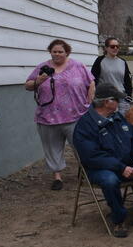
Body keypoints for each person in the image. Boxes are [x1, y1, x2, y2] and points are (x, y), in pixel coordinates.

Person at [73, 83, 133, 237]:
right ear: (107, 102)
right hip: (101, 169)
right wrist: (121, 168)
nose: (120, 103)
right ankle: (118, 219)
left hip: (128, 166)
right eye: (117, 99)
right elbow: (92, 156)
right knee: (110, 180)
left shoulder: (119, 118)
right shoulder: (86, 125)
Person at [25, 39, 95, 191]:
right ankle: (57, 177)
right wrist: (39, 79)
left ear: (67, 53)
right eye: (54, 51)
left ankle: (87, 172)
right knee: (52, 148)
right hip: (48, 117)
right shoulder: (43, 67)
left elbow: (91, 82)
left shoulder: (78, 65)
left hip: (76, 115)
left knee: (81, 146)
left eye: (60, 51)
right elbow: (28, 86)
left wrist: (89, 102)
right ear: (50, 52)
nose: (57, 54)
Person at [90, 37, 133, 115]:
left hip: (121, 98)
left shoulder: (122, 62)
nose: (115, 48)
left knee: (121, 124)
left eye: (117, 46)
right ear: (106, 48)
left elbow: (128, 81)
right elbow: (93, 79)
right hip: (105, 99)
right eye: (112, 46)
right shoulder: (100, 61)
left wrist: (128, 96)